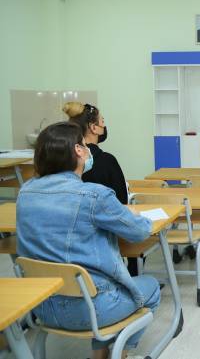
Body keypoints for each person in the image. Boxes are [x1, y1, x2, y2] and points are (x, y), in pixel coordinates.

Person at [16, 122, 160, 359]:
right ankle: (122, 353)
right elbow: (138, 232)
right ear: (79, 151)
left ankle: (99, 354)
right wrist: (135, 215)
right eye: (85, 144)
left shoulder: (25, 193)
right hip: (92, 309)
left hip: (42, 308)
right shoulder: (94, 195)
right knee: (151, 287)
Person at [63, 102, 141, 276]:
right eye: (102, 122)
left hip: (74, 240)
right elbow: (121, 204)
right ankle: (132, 276)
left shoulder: (66, 161)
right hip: (105, 235)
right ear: (93, 128)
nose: (104, 126)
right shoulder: (107, 161)